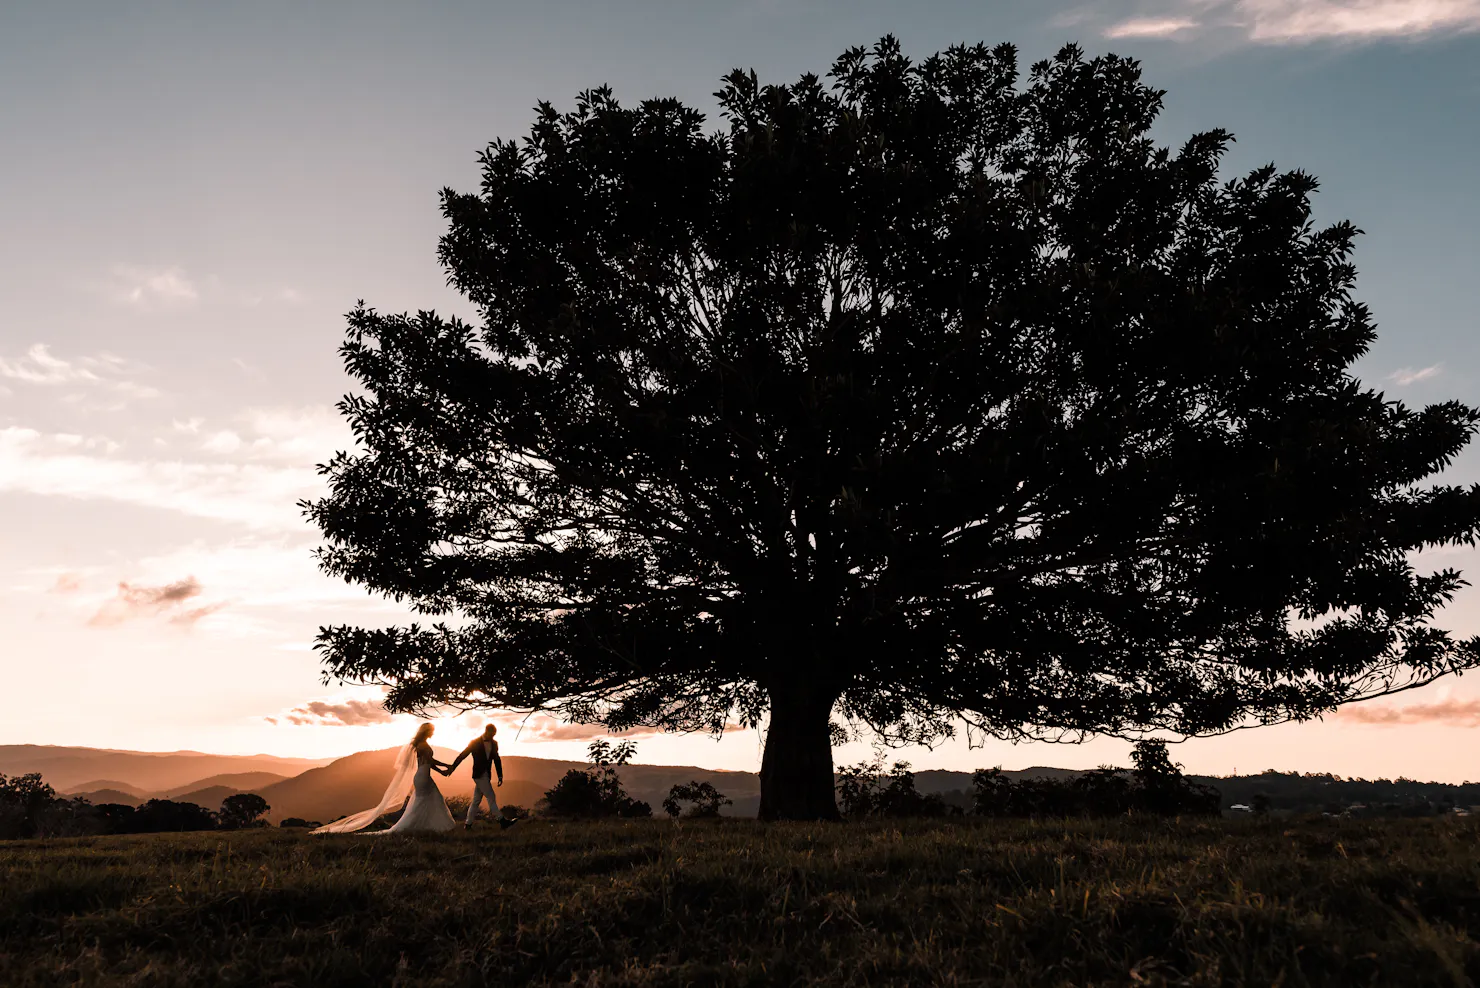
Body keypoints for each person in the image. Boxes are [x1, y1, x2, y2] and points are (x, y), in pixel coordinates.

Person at [312, 723, 456, 834]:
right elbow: (430, 762)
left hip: (422, 775)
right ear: (427, 731)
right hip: (423, 776)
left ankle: (425, 825)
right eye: (432, 730)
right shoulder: (422, 745)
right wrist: (447, 765)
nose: (433, 732)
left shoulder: (421, 744)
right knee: (429, 800)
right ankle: (422, 825)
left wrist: (443, 770)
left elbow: (427, 762)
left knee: (427, 800)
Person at [442, 723, 515, 830]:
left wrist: (500, 776)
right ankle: (502, 821)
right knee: (491, 797)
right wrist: (453, 767)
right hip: (478, 775)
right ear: (486, 731)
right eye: (492, 734)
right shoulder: (475, 742)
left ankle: (468, 825)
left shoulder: (494, 743)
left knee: (476, 800)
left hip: (486, 775)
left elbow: (497, 759)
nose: (493, 736)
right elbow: (463, 755)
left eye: (494, 734)